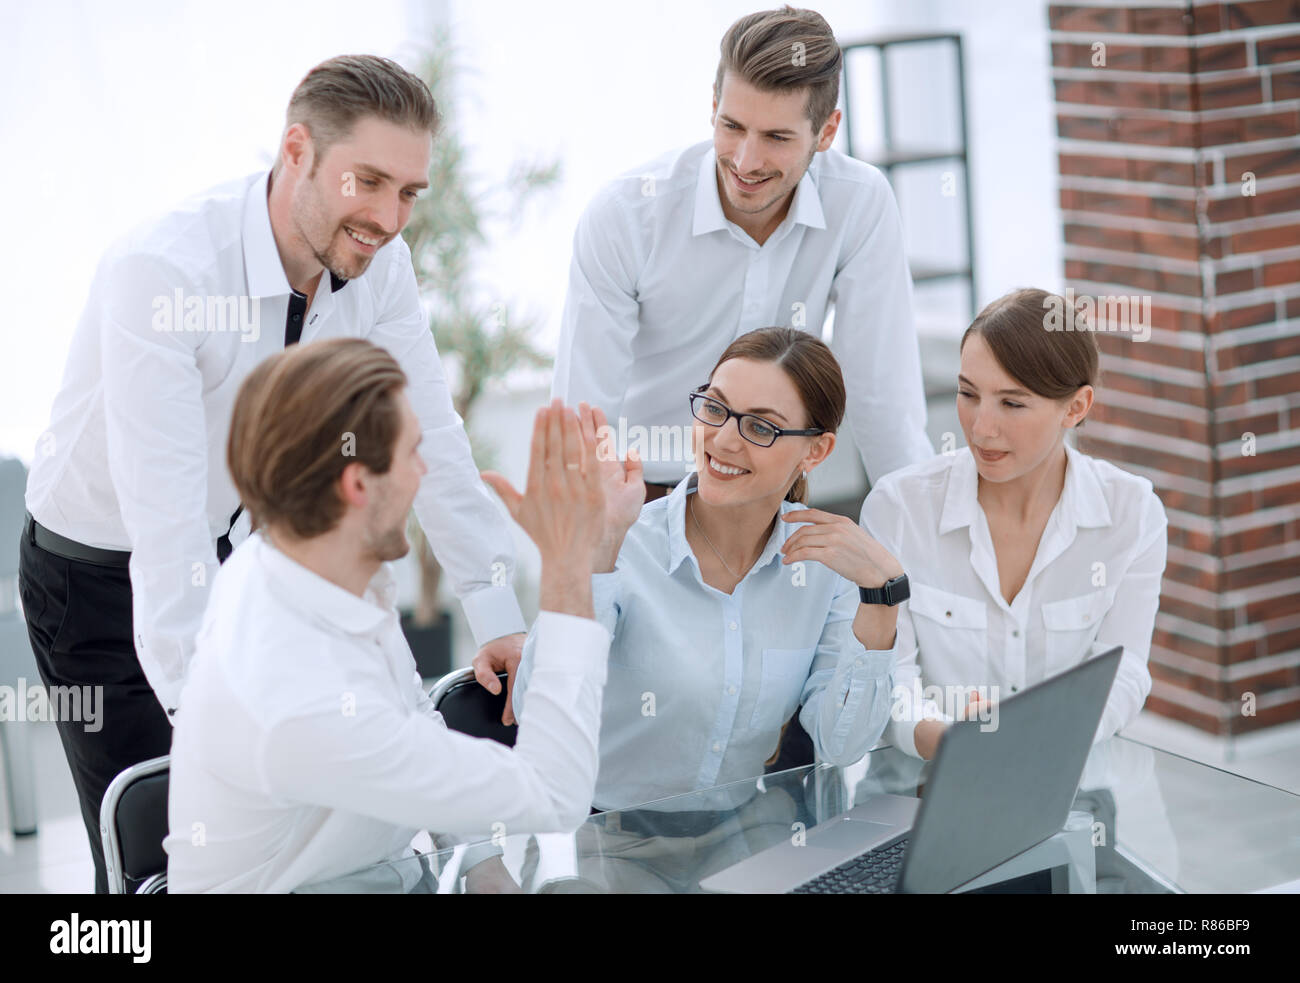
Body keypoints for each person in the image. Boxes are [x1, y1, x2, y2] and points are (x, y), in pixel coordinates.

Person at [18, 55, 528, 893]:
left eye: (409, 192)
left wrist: (498, 609)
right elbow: (166, 526)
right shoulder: (165, 272)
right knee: (165, 850)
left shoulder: (380, 265)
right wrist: (219, 737)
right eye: (368, 181)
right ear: (297, 151)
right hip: (98, 576)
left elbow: (430, 432)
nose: (389, 217)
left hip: (240, 552)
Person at [165, 338, 611, 893]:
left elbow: (410, 715)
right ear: (357, 484)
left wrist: (482, 866)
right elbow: (553, 794)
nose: (424, 473)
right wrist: (570, 565)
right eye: (413, 454)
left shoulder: (299, 563)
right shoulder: (299, 693)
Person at [511, 327, 903, 815]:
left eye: (761, 428)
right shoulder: (624, 540)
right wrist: (597, 550)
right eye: (715, 409)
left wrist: (880, 596)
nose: (722, 440)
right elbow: (535, 709)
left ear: (816, 451)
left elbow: (842, 745)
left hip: (735, 837)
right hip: (598, 842)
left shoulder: (824, 569)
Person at [550, 6, 932, 504]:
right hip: (641, 500)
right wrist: (583, 557)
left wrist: (919, 553)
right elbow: (581, 418)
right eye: (732, 126)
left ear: (827, 131)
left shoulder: (859, 202)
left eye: (776, 137)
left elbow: (885, 402)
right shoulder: (626, 215)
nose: (746, 162)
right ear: (713, 105)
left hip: (774, 500)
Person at [860, 288, 1168, 760]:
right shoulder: (899, 509)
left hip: (1068, 786)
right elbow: (888, 676)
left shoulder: (1133, 514)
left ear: (1076, 407)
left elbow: (1124, 671)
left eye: (1012, 403)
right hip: (921, 786)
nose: (981, 427)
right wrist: (945, 742)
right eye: (968, 393)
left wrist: (1041, 745)